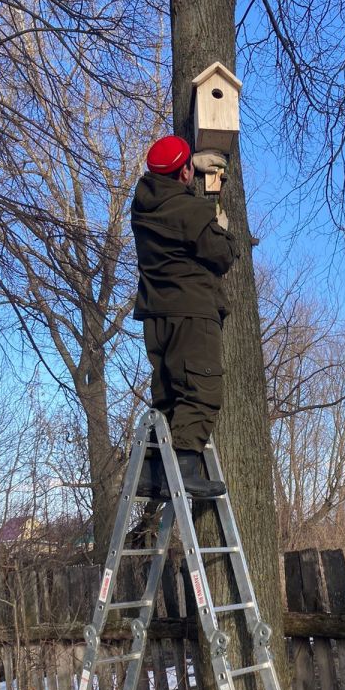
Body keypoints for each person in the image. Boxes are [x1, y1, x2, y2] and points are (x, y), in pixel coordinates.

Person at [131, 134, 238, 499]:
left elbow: (171, 196)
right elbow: (221, 256)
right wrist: (222, 230)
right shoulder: (194, 213)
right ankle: (186, 469)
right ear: (184, 173)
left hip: (155, 316)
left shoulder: (142, 205)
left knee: (167, 395)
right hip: (192, 314)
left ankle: (151, 472)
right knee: (199, 391)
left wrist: (191, 167)